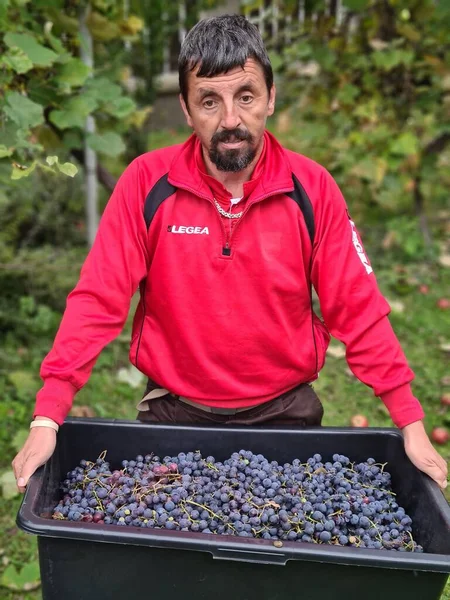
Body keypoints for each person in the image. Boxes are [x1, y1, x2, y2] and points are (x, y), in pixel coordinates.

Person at [12, 14, 447, 493]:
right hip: (173, 413)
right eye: (209, 101)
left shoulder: (312, 189)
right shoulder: (145, 183)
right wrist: (47, 417)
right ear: (185, 108)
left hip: (285, 416)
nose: (231, 121)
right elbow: (98, 299)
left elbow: (357, 306)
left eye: (246, 96)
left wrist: (408, 420)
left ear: (271, 98)